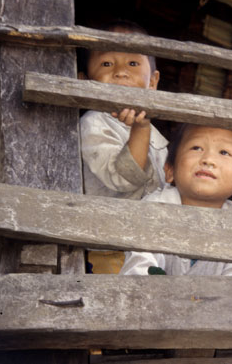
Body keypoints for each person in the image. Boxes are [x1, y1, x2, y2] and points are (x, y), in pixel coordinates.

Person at [78, 21, 165, 274]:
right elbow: (124, 178)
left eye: (133, 64)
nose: (120, 72)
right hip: (111, 248)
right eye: (106, 64)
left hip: (152, 247)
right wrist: (140, 131)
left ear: (153, 81)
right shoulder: (93, 122)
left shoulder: (156, 134)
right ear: (84, 81)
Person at [119, 124, 232, 276]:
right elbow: (141, 265)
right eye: (196, 148)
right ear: (170, 170)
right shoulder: (156, 205)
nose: (208, 160)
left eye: (224, 152)